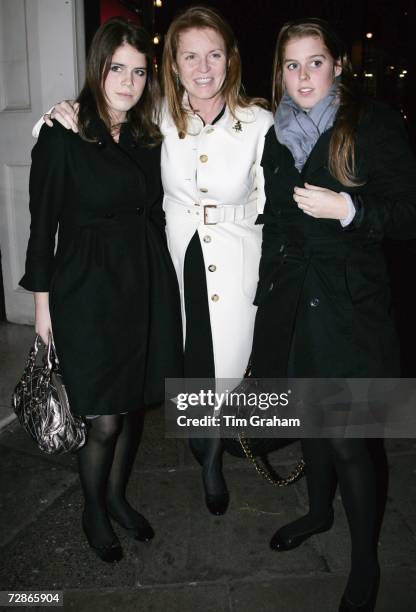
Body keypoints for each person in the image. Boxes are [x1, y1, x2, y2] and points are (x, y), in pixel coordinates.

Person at [38, 6, 274, 516]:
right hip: (168, 262)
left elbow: (275, 204)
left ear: (231, 60)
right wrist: (54, 115)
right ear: (173, 64)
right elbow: (96, 128)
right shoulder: (158, 115)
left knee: (223, 368)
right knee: (184, 368)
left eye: (214, 54)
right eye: (190, 56)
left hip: (236, 259)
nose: (203, 67)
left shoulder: (258, 121)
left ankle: (212, 457)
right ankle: (198, 446)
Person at [249, 17, 416, 611]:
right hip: (293, 303)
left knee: (348, 439)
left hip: (351, 308)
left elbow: (406, 212)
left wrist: (350, 208)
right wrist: (263, 300)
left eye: (314, 62)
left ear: (338, 64)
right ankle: (319, 513)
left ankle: (367, 562)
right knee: (310, 423)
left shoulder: (373, 123)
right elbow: (273, 221)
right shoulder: (275, 134)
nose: (303, 76)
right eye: (291, 65)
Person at [21, 18, 183, 563]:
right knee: (104, 416)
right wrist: (42, 307)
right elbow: (41, 226)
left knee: (131, 405)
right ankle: (92, 506)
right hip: (86, 289)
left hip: (141, 283)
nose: (129, 81)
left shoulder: (147, 134)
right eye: (118, 68)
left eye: (139, 71)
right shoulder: (63, 132)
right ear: (99, 67)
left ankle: (116, 496)